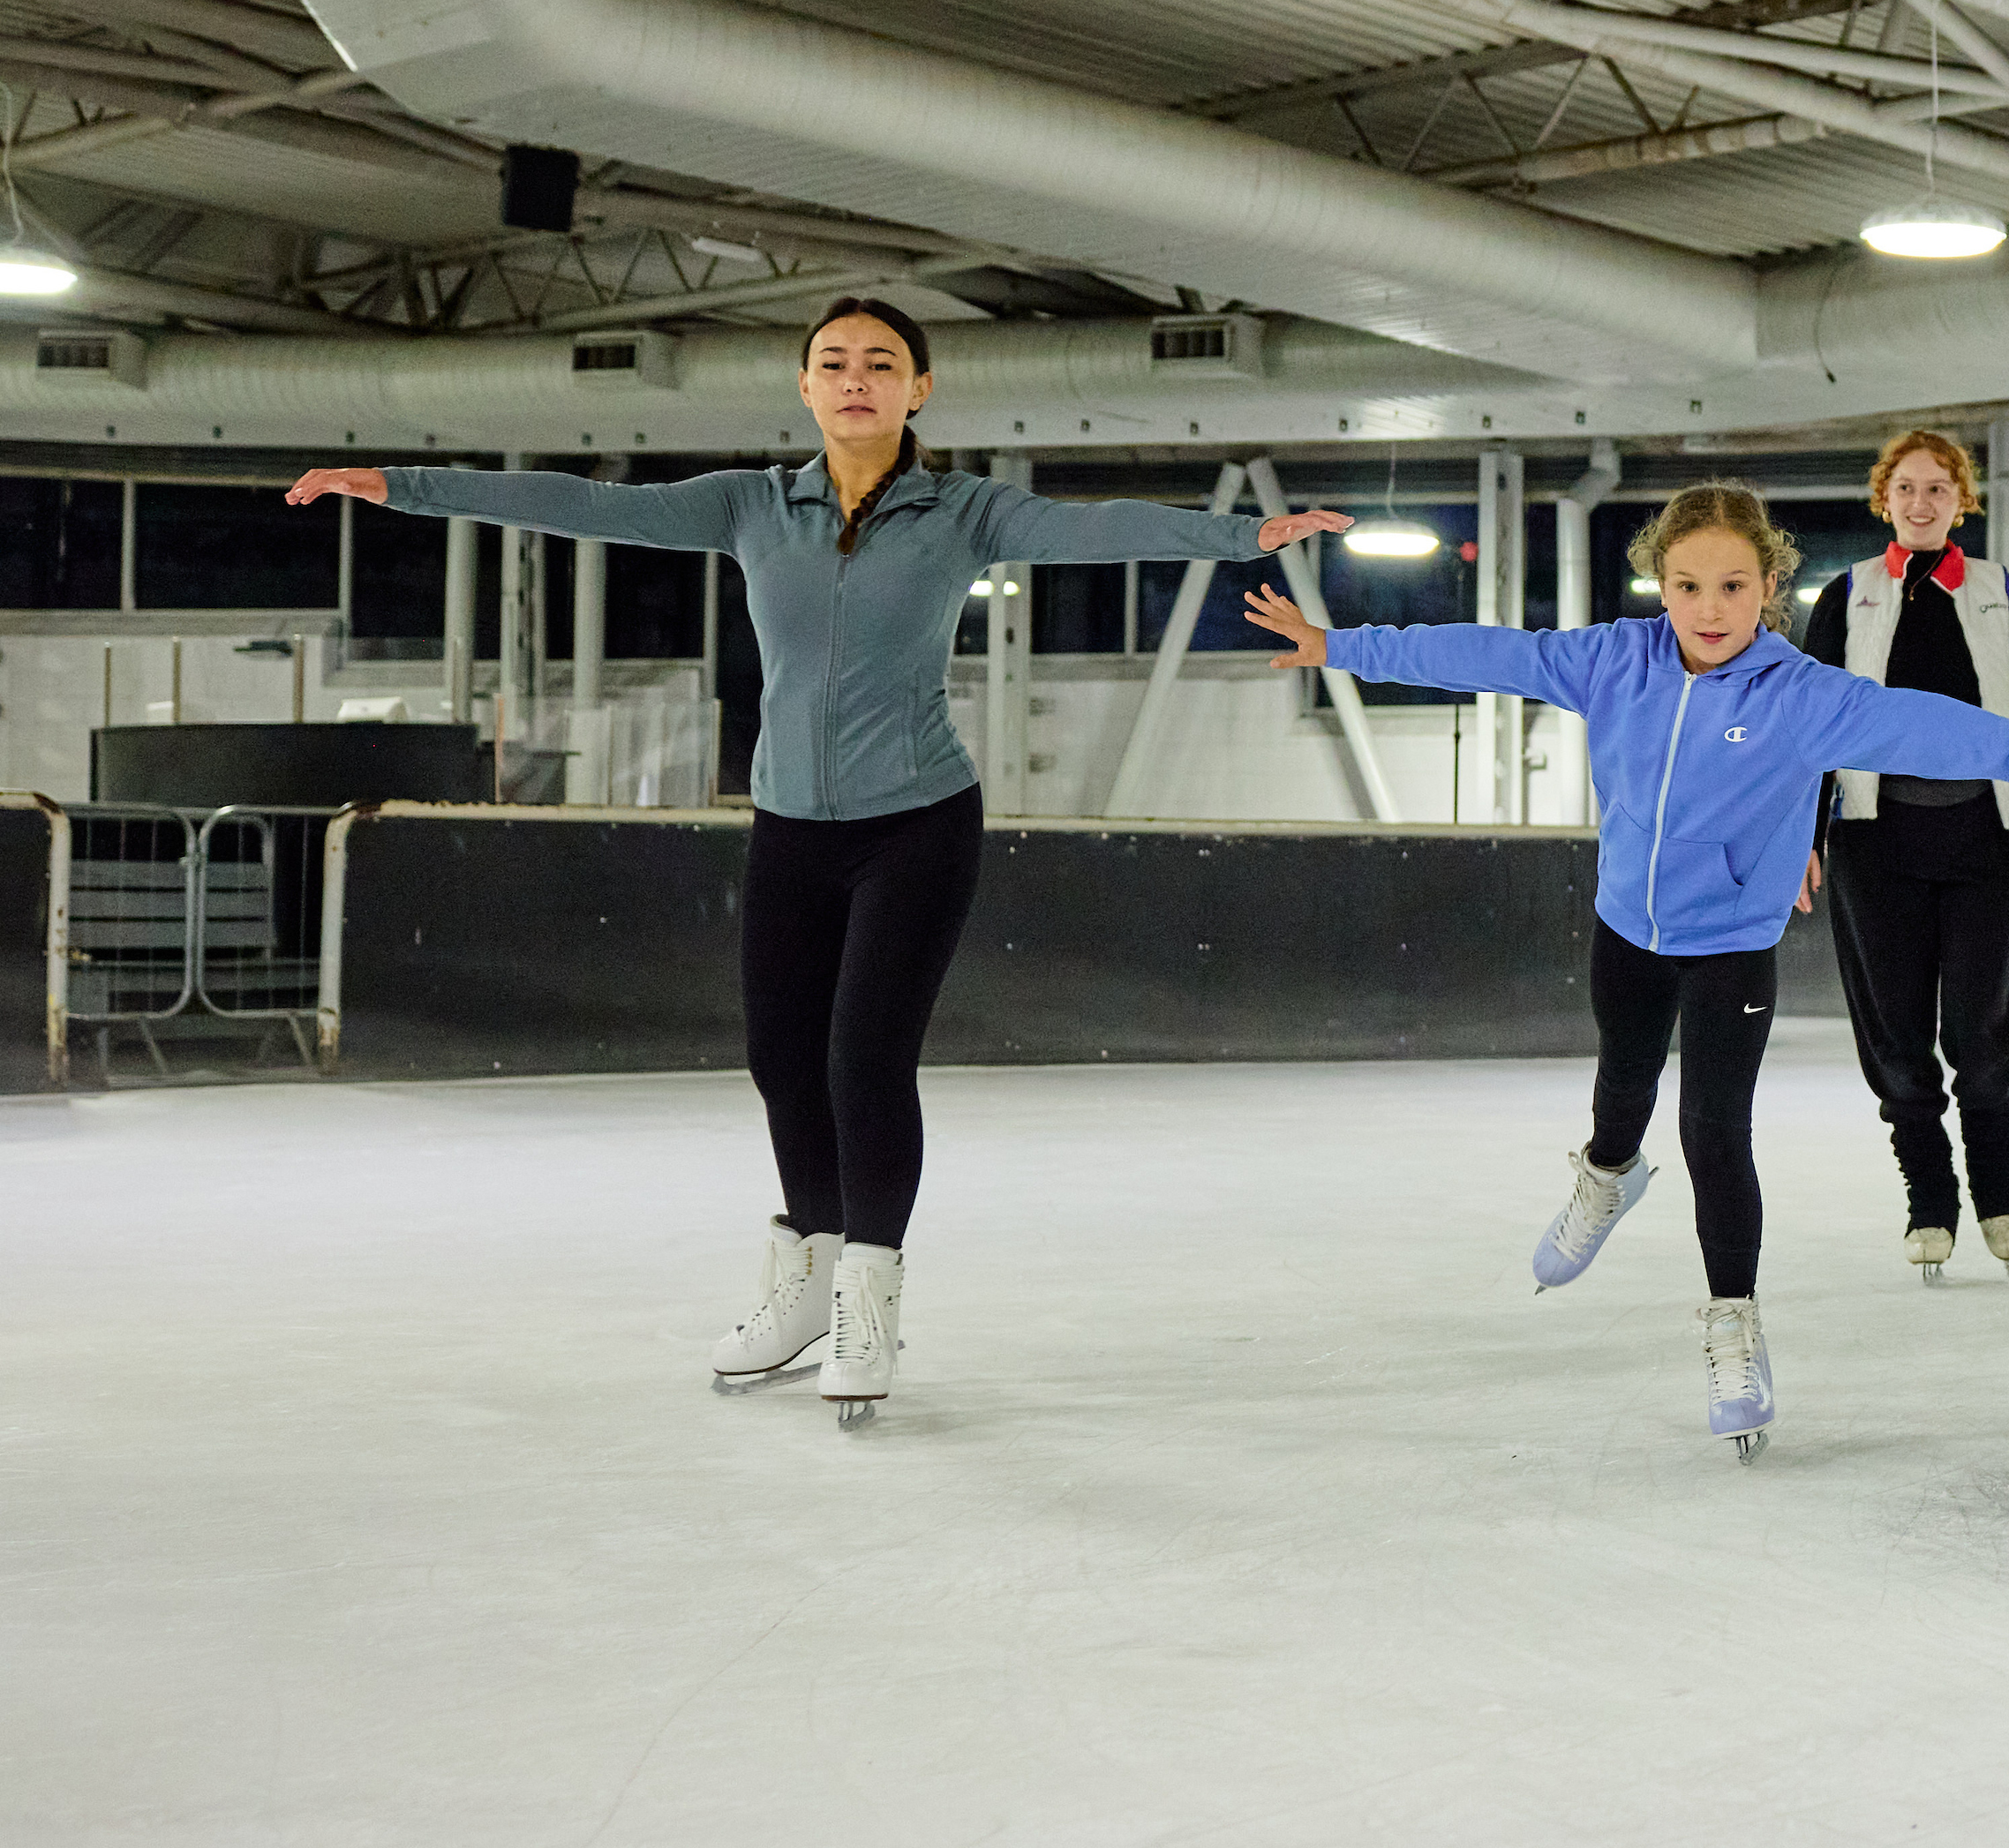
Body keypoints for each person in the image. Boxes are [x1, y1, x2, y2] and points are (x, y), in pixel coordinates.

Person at [286, 297, 1338, 1426]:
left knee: (863, 1057)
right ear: (803, 386)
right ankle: (806, 1279)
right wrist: (403, 484)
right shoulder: (750, 505)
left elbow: (1093, 527)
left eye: (881, 364)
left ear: (917, 390)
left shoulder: (964, 511)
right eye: (833, 363)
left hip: (918, 823)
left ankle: (868, 1299)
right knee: (779, 1057)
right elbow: (584, 506)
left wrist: (1238, 536)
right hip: (790, 825)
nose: (855, 379)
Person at [1245, 483, 2009, 1459]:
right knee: (1621, 1092)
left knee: (1715, 1131)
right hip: (1628, 926)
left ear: (1769, 587)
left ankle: (1732, 1323)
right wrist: (1343, 647)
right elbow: (1490, 653)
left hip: (1732, 943)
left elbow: (1925, 724)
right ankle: (1606, 1176)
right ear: (1659, 585)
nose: (1710, 609)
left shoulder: (1801, 696)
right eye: (1687, 585)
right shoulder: (1613, 661)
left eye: (1732, 585)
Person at [1797, 428, 2009, 1280]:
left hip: (1984, 841)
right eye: (1907, 489)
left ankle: (1996, 1185)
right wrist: (1801, 838)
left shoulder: (2000, 593)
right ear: (1883, 500)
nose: (1921, 503)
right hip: (1875, 843)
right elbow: (1811, 727)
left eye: (1938, 489)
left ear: (1961, 501)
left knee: (1982, 1024)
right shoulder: (1847, 595)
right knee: (1894, 1030)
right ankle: (1929, 1194)